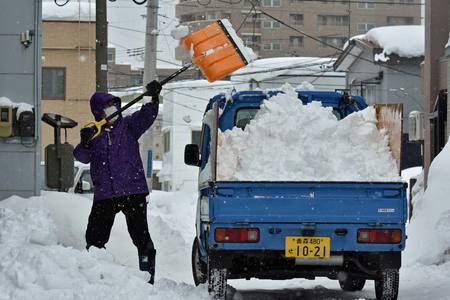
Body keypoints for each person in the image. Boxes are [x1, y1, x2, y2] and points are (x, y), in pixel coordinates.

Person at [73, 80, 162, 284]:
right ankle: (95, 277)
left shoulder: (129, 125)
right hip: (106, 194)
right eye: (106, 107)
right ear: (98, 112)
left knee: (141, 238)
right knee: (95, 239)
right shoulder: (94, 133)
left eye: (114, 104)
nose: (112, 109)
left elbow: (147, 115)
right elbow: (81, 157)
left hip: (133, 190)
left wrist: (153, 97)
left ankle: (148, 278)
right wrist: (86, 142)